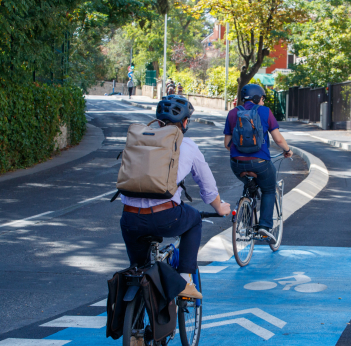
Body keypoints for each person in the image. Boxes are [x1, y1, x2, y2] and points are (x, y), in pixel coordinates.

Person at [121, 97, 231, 298]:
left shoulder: (140, 140)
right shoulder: (187, 145)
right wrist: (219, 207)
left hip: (130, 218)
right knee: (194, 220)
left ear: (158, 120)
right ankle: (185, 279)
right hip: (166, 217)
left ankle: (134, 318)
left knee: (138, 269)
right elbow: (207, 186)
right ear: (185, 122)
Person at [223, 84, 293, 241]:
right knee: (268, 189)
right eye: (262, 98)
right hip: (260, 163)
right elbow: (278, 139)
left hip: (236, 164)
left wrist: (240, 154)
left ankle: (245, 220)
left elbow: (227, 143)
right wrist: (287, 150)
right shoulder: (265, 112)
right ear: (256, 98)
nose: (263, 101)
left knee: (248, 183)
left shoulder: (233, 113)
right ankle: (264, 226)